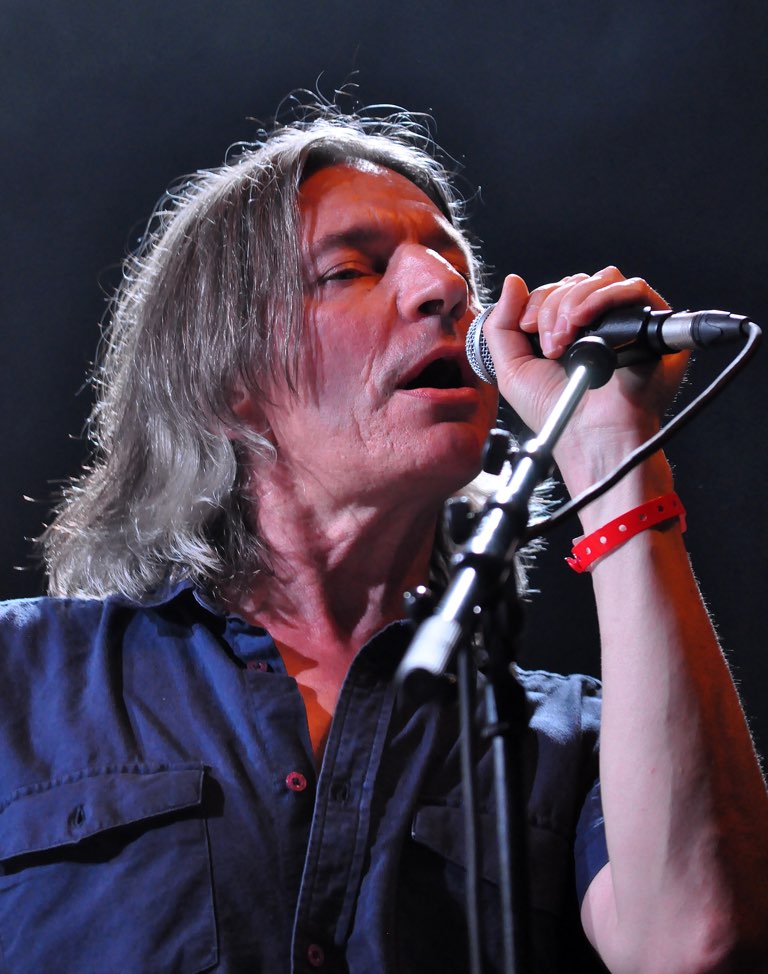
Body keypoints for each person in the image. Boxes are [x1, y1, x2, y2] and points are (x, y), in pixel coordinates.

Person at [0, 104, 766, 974]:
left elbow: (697, 941)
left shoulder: (573, 739)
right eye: (348, 271)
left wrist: (615, 451)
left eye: (455, 264)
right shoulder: (22, 676)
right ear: (224, 374)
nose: (444, 289)